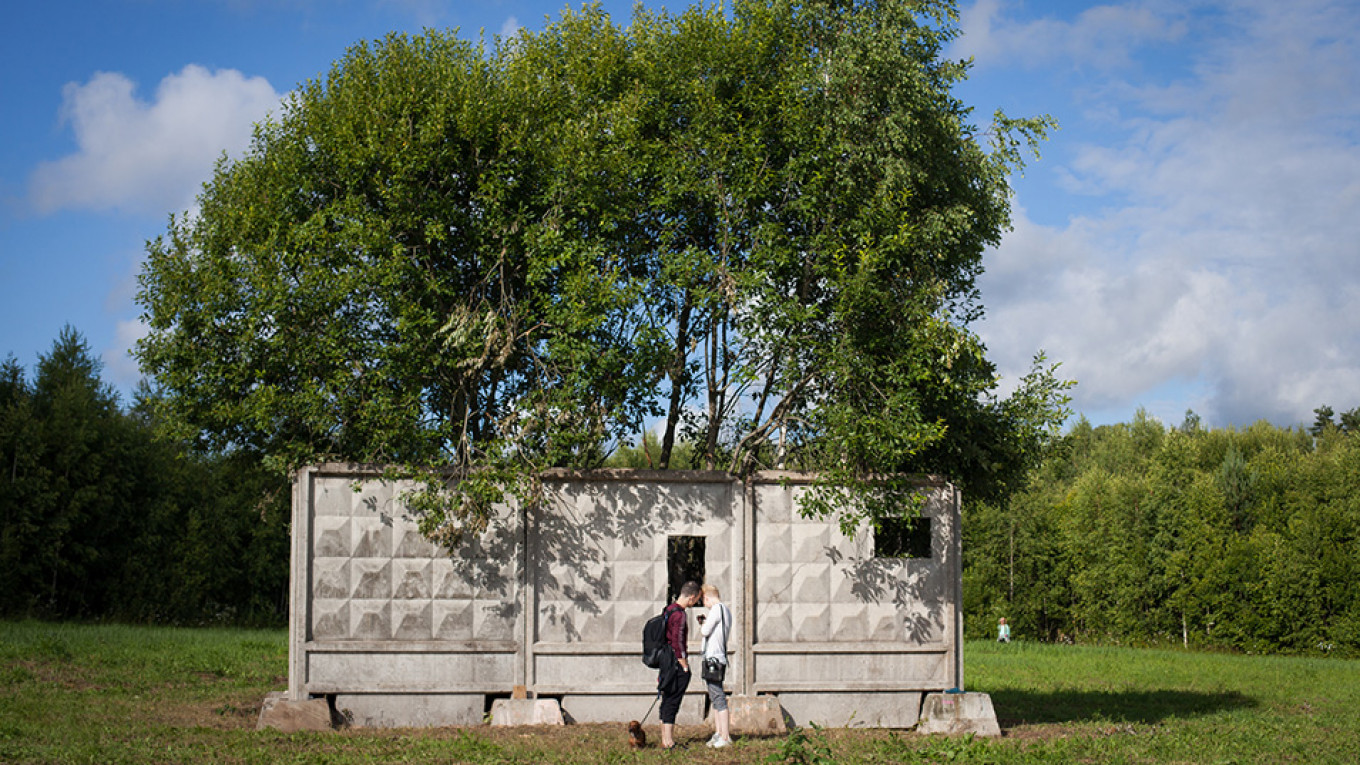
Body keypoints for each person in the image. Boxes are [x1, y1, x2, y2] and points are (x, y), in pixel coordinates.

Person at [659, 581, 701, 750]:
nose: (695, 603)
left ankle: (665, 738)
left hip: (665, 661)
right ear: (691, 597)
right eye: (696, 599)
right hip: (676, 664)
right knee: (673, 701)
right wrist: (683, 663)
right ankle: (669, 742)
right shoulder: (680, 615)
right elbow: (677, 640)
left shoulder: (668, 610)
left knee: (666, 699)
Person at [698, 583, 734, 749]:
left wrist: (704, 624)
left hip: (714, 658)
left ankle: (725, 737)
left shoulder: (716, 609)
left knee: (718, 698)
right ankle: (719, 733)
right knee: (715, 696)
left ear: (707, 597)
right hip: (719, 657)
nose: (704, 605)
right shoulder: (725, 610)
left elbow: (705, 631)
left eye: (704, 601)